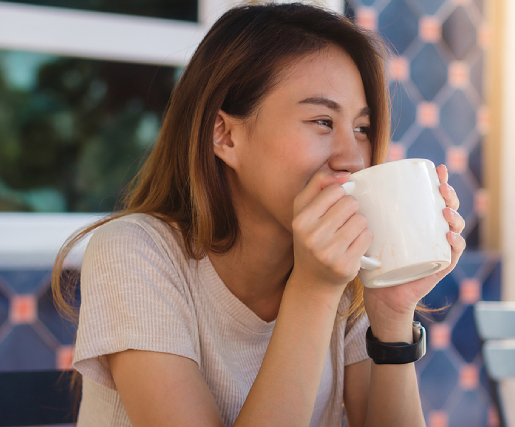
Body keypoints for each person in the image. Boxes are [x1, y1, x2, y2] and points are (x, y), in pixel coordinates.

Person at [52, 3, 466, 426]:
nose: (353, 158)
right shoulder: (134, 253)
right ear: (225, 135)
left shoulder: (346, 265)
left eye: (361, 128)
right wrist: (313, 291)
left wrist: (392, 316)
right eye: (322, 121)